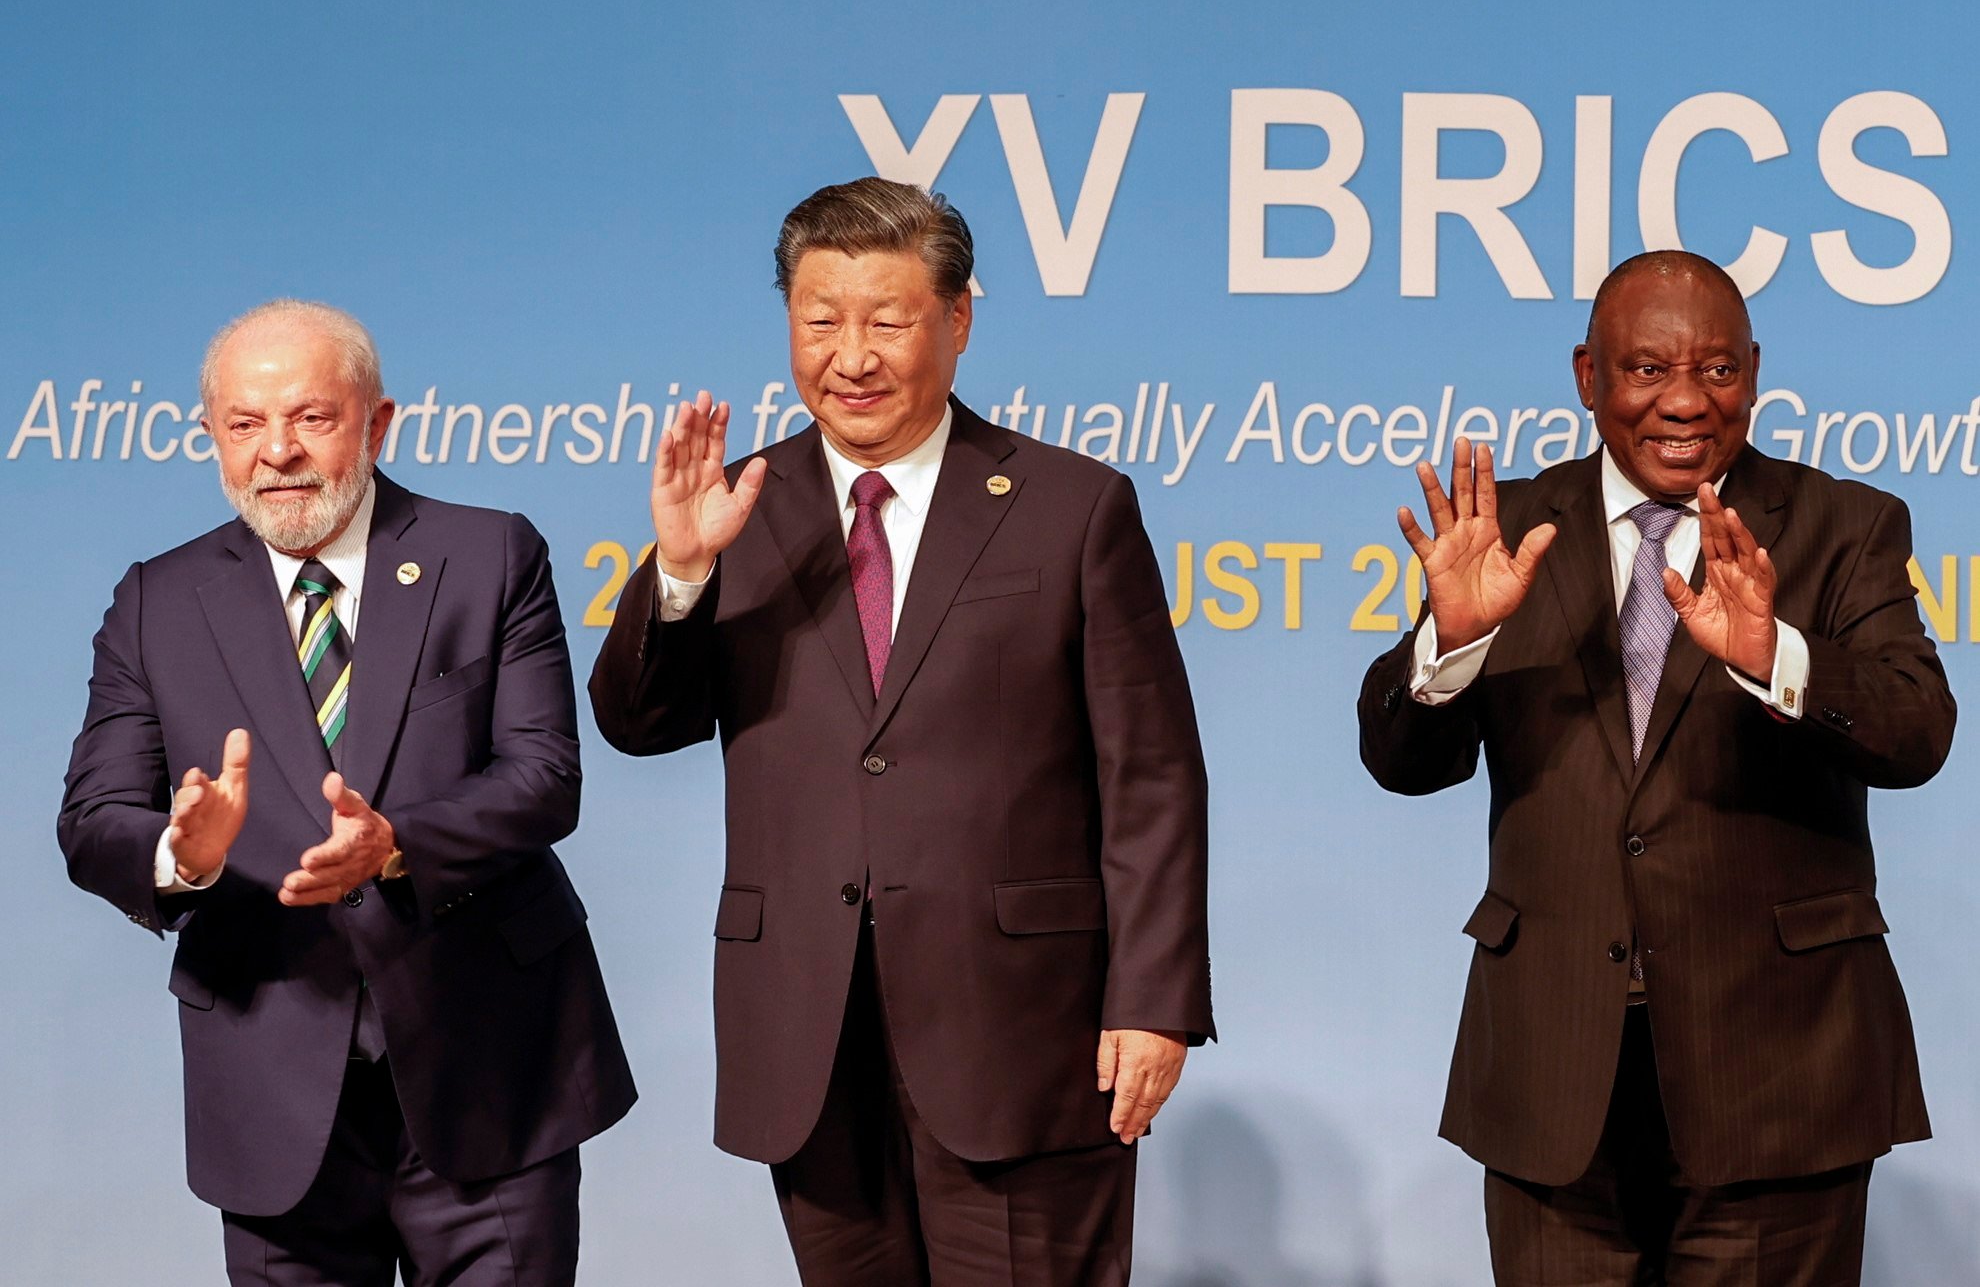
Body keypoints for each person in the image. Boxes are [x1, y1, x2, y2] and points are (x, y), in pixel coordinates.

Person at [590, 177, 1214, 1285]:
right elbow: (639, 724)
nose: (852, 356)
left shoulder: (1073, 507)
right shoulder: (742, 503)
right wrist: (681, 572)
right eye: (821, 321)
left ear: (959, 320)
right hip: (809, 1039)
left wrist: (1155, 1002)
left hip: (1025, 1037)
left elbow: (1152, 776)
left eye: (887, 320)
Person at [1357, 251, 1954, 1285]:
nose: (1685, 402)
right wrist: (1452, 648)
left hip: (1779, 1075)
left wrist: (1780, 657)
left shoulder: (1844, 527)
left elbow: (1917, 733)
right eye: (1647, 371)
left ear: (1756, 372)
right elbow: (1405, 764)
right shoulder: (1510, 535)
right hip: (1554, 1079)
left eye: (1718, 372)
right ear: (1589, 376)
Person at [59, 299, 635, 1285]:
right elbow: (93, 818)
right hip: (272, 1076)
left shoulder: (491, 554)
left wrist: (397, 843)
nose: (275, 451)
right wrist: (181, 854)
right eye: (244, 426)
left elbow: (544, 779)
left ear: (378, 423)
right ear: (212, 439)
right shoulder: (156, 602)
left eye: (310, 419)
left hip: (488, 1060)